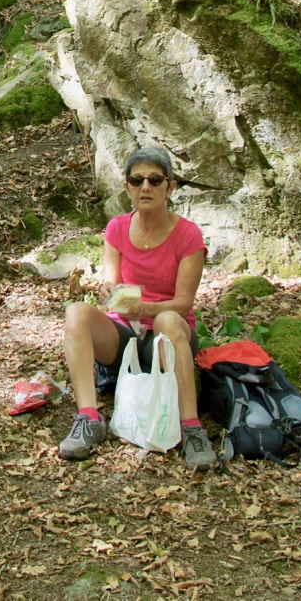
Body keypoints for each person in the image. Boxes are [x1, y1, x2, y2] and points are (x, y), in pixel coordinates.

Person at [59, 147, 217, 471]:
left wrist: (146, 307)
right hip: (126, 333)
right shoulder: (116, 228)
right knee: (76, 312)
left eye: (155, 180)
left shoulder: (188, 235)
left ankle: (192, 428)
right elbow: (111, 282)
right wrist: (108, 290)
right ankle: (89, 418)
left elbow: (184, 302)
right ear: (127, 187)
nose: (146, 187)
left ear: (170, 187)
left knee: (170, 320)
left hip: (170, 335)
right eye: (137, 180)